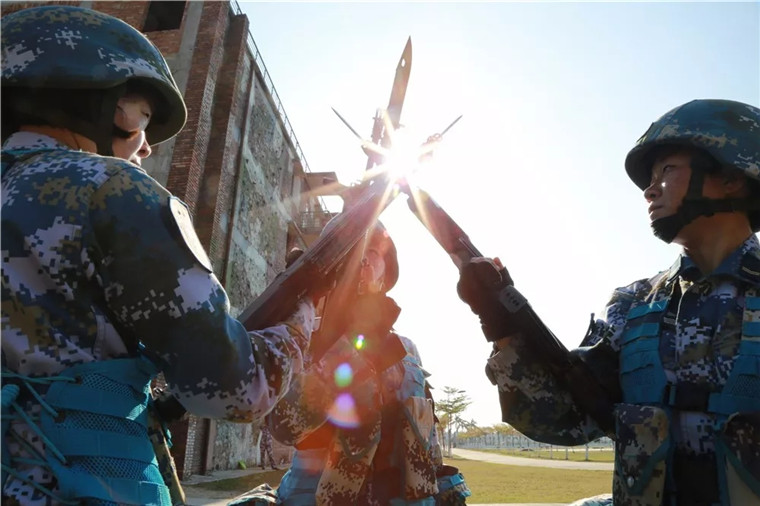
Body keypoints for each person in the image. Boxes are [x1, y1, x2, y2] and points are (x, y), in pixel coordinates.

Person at [1, 6, 315, 505]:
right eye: (144, 117)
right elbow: (235, 389)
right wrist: (301, 320)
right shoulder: (113, 190)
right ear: (103, 103)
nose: (145, 147)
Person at [457, 98, 760, 506]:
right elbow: (562, 419)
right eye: (650, 177)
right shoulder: (633, 306)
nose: (649, 189)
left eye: (667, 170)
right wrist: (503, 326)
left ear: (732, 177)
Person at [230, 222, 470, 505]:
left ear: (386, 275)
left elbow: (426, 445)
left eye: (373, 252)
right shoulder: (301, 338)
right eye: (351, 253)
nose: (363, 260)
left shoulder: (406, 351)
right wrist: (354, 351)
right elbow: (284, 426)